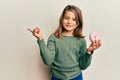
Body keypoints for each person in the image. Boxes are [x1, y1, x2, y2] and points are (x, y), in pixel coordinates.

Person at [28, 5, 101, 80]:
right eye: (66, 18)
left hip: (76, 77)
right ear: (62, 19)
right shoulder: (53, 38)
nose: (69, 22)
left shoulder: (81, 41)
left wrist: (89, 51)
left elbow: (83, 66)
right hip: (57, 77)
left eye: (74, 19)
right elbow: (48, 61)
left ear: (78, 23)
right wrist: (40, 40)